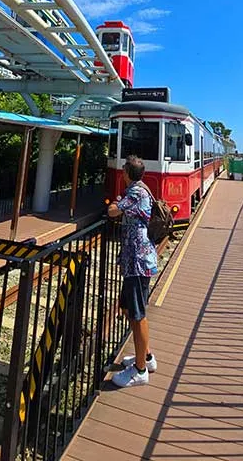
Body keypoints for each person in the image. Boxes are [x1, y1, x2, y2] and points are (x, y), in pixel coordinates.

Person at [107, 155, 158, 387]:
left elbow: (113, 211)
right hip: (133, 260)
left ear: (127, 172)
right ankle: (145, 357)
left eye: (124, 169)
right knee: (128, 308)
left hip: (137, 260)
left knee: (138, 315)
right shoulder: (138, 189)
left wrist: (116, 203)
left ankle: (139, 371)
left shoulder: (135, 193)